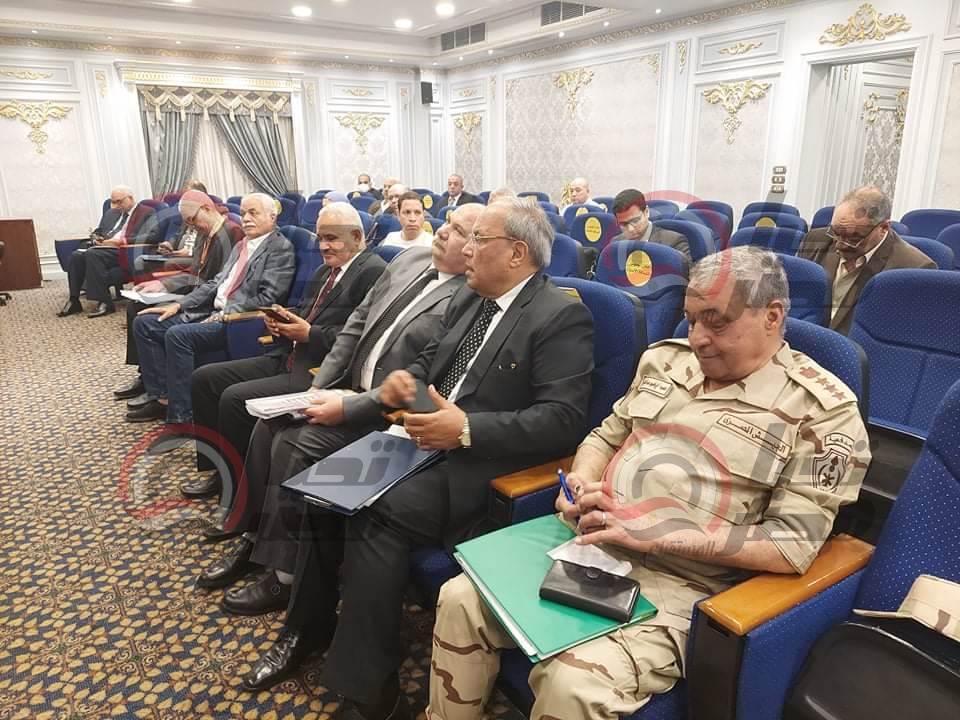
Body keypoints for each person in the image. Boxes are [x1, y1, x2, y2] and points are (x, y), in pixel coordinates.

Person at [427, 246, 871, 720]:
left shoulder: (823, 412)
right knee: (459, 598)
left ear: (773, 316)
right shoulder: (664, 361)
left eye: (717, 322)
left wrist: (658, 534)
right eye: (691, 320)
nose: (697, 338)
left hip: (686, 583)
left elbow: (792, 545)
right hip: (593, 548)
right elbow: (604, 436)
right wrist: (580, 481)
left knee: (572, 684)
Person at [237, 198, 595, 720]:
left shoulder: (560, 315)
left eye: (479, 240)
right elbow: (424, 370)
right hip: (416, 440)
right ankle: (307, 629)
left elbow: (562, 421)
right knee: (322, 490)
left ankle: (374, 696)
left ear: (517, 253)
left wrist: (466, 430)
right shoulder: (472, 298)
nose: (466, 249)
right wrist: (397, 392)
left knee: (374, 513)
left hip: (478, 467)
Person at [196, 203, 483, 604]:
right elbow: (355, 327)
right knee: (268, 425)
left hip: (387, 414)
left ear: (477, 248)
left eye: (458, 231)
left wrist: (352, 403)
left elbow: (422, 384)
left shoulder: (472, 296)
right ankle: (254, 538)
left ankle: (284, 574)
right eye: (446, 224)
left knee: (294, 441)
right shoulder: (409, 259)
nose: (442, 232)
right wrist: (320, 388)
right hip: (346, 387)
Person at [180, 202, 386, 505]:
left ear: (356, 236)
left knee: (234, 398)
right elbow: (305, 313)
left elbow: (363, 338)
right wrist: (283, 319)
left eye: (332, 238)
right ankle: (219, 470)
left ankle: (241, 489)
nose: (323, 246)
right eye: (320, 238)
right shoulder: (324, 271)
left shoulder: (373, 272)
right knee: (204, 379)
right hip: (287, 356)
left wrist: (309, 333)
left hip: (317, 372)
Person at [128, 193, 295, 426]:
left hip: (237, 321)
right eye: (243, 213)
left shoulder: (279, 248)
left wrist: (223, 314)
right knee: (145, 324)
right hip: (211, 312)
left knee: (177, 335)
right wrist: (179, 304)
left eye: (253, 213)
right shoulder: (241, 245)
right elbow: (215, 283)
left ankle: (182, 416)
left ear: (272, 216)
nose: (246, 218)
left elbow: (268, 297)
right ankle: (162, 398)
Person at [113, 190, 242, 406]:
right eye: (187, 222)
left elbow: (217, 283)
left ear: (206, 209)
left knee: (145, 318)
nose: (191, 226)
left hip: (206, 300)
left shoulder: (232, 233)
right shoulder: (204, 233)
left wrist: (178, 301)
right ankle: (147, 377)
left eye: (192, 220)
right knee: (135, 306)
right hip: (194, 291)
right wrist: (163, 284)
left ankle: (159, 390)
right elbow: (195, 273)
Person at [796, 184, 936, 335]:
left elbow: (901, 334)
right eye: (836, 232)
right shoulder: (815, 240)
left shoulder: (914, 268)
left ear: (884, 228)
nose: (839, 244)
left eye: (853, 238)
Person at [58, 185, 161, 318]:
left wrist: (122, 241)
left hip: (125, 251)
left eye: (120, 201)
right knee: (76, 255)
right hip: (104, 248)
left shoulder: (147, 212)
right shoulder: (111, 214)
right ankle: (74, 300)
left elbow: (153, 236)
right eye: (114, 202)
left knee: (93, 254)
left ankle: (105, 302)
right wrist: (96, 238)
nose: (117, 205)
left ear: (130, 198)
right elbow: (99, 231)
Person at [612, 188, 691, 261]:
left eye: (635, 221)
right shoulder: (616, 244)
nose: (630, 229)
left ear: (646, 212)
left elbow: (685, 271)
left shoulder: (674, 242)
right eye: (623, 224)